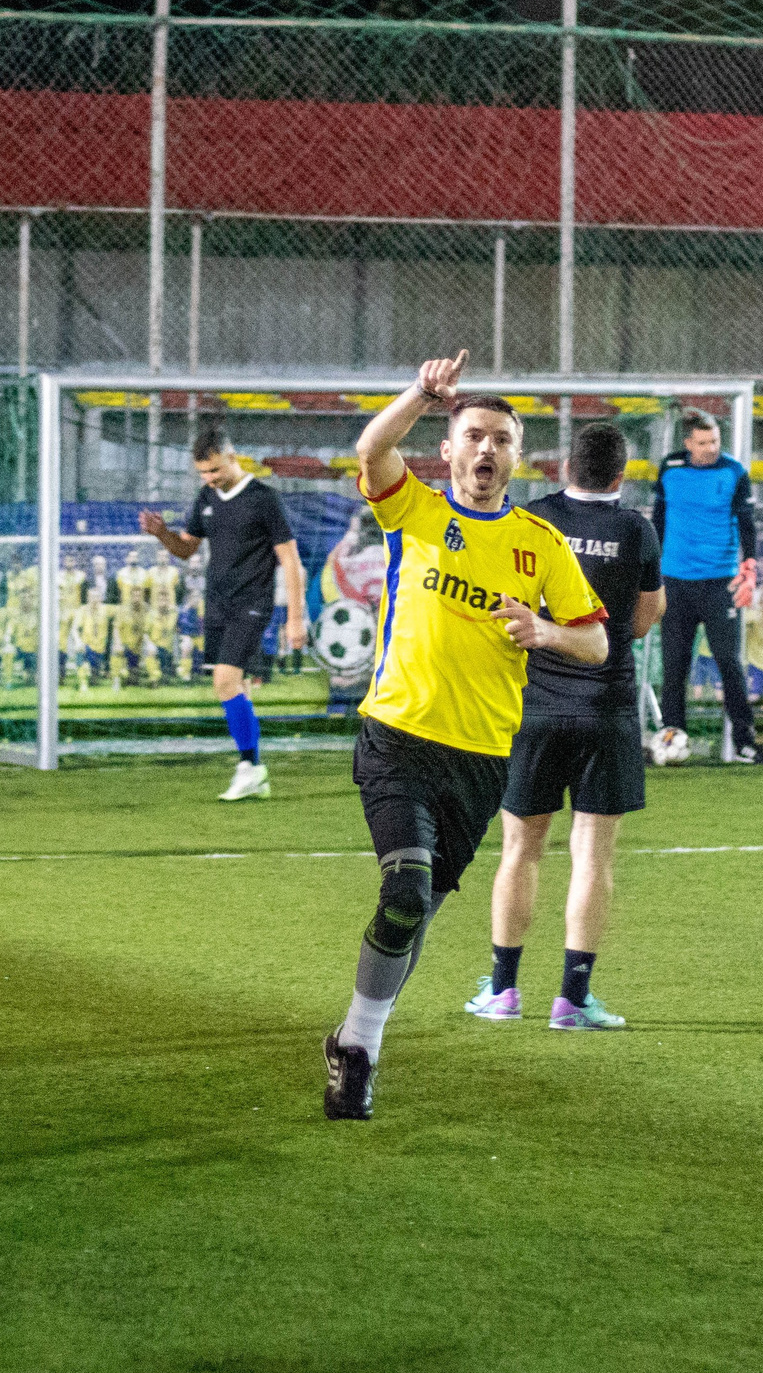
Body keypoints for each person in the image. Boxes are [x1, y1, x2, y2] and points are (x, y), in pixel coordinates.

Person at [323, 352, 606, 1120]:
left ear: (518, 455)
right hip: (398, 736)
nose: (487, 450)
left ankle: (351, 1030)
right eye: (474, 435)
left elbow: (597, 644)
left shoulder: (540, 543)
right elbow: (370, 450)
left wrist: (544, 629)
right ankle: (362, 1053)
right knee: (406, 892)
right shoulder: (414, 509)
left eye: (502, 439)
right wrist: (421, 393)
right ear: (448, 449)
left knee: (416, 913)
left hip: (482, 756)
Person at [464, 422, 658, 1033]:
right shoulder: (636, 529)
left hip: (534, 706)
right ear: (621, 477)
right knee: (591, 859)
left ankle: (502, 991)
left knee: (519, 850)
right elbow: (645, 620)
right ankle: (573, 1000)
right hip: (606, 708)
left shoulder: (532, 521)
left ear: (563, 467)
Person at [140, 423, 308, 801]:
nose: (210, 478)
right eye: (203, 472)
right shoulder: (205, 498)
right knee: (238, 686)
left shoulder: (264, 499)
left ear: (232, 457)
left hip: (252, 604)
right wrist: (162, 534)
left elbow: (290, 560)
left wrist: (295, 619)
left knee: (224, 681)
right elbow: (186, 549)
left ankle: (250, 766)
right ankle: (255, 770)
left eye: (215, 470)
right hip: (216, 605)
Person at [649, 408, 763, 765]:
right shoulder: (670, 468)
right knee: (675, 667)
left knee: (729, 662)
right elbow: (659, 520)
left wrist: (750, 566)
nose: (710, 448)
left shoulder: (734, 472)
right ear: (688, 443)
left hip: (719, 582)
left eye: (714, 440)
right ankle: (672, 738)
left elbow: (747, 523)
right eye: (702, 442)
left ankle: (745, 742)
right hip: (675, 583)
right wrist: (650, 573)